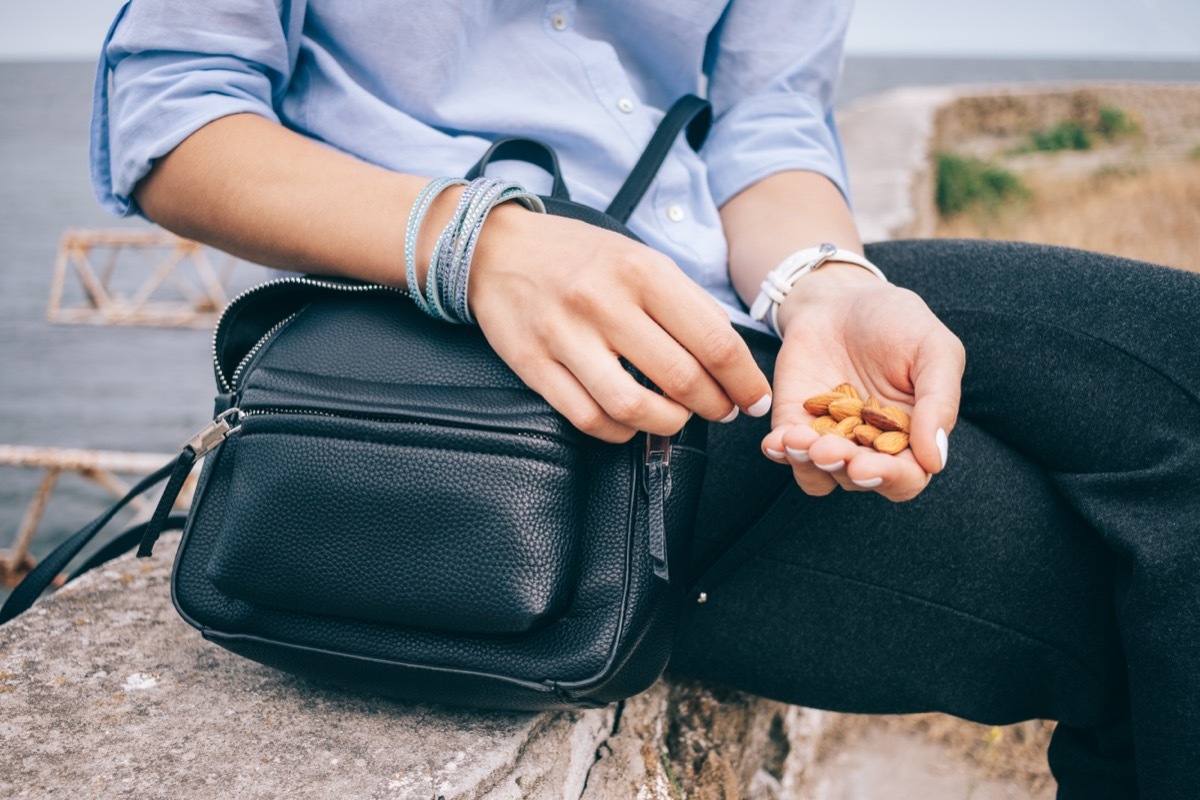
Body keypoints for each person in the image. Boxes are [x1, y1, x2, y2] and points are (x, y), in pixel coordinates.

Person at [90, 2, 1198, 797]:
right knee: (1145, 618)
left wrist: (825, 282)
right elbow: (171, 115)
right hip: (460, 350)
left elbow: (765, 121)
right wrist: (478, 244)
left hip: (713, 299)